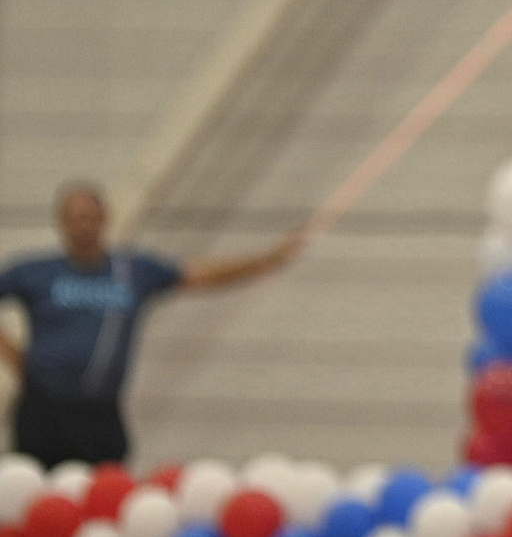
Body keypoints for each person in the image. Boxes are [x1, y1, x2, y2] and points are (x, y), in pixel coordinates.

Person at [0, 181, 302, 467]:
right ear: (62, 223)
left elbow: (199, 275)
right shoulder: (35, 272)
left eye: (90, 217)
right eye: (75, 219)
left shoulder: (131, 271)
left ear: (105, 219)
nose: (83, 226)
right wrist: (13, 354)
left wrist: (267, 260)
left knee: (105, 490)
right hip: (43, 409)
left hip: (100, 411)